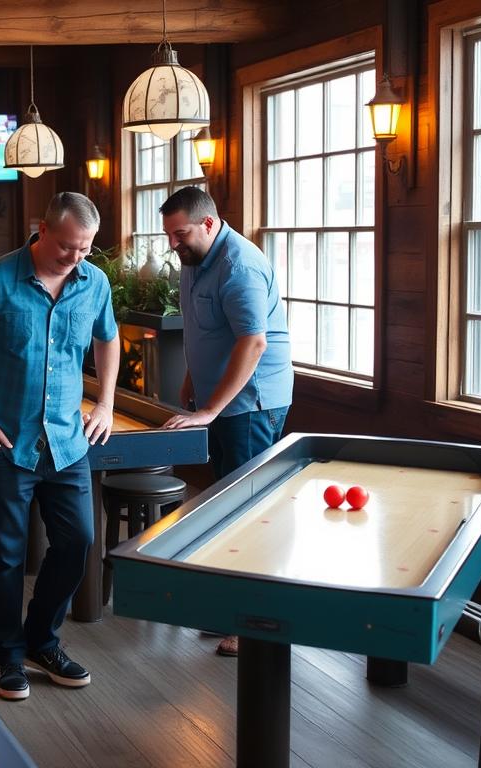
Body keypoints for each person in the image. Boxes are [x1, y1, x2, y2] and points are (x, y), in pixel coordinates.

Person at [0, 192, 120, 701]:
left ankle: (42, 638)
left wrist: (104, 404)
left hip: (67, 441)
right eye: (67, 247)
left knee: (78, 541)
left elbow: (108, 338)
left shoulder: (95, 283)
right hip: (3, 441)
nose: (76, 257)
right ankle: (8, 653)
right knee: (5, 555)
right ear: (41, 230)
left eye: (85, 249)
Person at [158, 186, 293, 658]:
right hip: (220, 399)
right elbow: (205, 326)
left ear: (209, 224)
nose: (174, 244)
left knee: (247, 513)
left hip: (250, 405)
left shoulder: (240, 266)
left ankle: (254, 624)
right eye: (169, 235)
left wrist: (210, 409)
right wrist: (194, 376)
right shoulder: (195, 259)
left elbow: (252, 343)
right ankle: (232, 609)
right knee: (228, 507)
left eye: (180, 234)